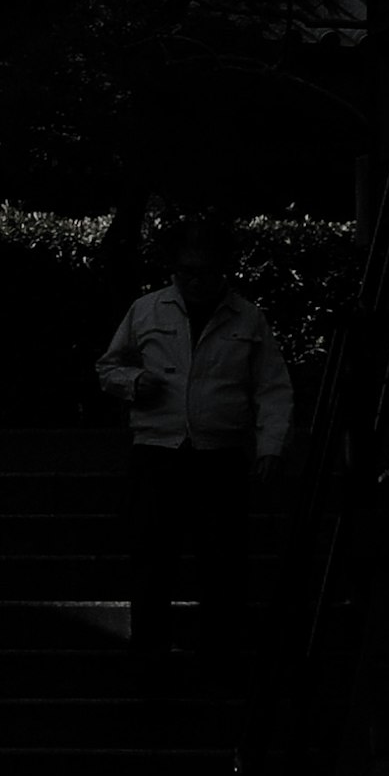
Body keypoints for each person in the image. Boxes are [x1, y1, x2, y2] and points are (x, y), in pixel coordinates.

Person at [95, 222, 294, 698]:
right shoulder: (148, 310)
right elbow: (108, 366)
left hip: (217, 456)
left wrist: (270, 447)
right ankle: (151, 656)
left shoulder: (247, 320)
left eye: (204, 272)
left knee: (220, 564)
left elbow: (272, 389)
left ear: (222, 271)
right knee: (153, 559)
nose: (195, 280)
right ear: (175, 270)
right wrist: (132, 383)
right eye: (187, 272)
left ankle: (215, 661)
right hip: (160, 452)